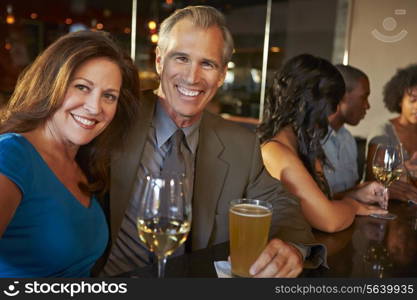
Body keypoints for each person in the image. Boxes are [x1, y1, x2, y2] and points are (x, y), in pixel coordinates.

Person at [102, 6, 324, 278]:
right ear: (160, 61)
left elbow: (282, 206)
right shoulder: (111, 118)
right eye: (181, 58)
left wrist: (292, 247)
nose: (192, 77)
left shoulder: (241, 144)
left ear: (221, 75)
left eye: (207, 64)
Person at [0, 30, 140, 277]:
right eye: (82, 87)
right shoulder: (11, 155)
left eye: (109, 96)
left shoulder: (86, 164)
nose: (95, 107)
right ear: (51, 83)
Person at [258, 54, 387, 234]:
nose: (332, 113)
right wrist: (353, 205)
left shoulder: (304, 147)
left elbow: (320, 201)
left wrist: (353, 195)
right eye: (331, 105)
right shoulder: (274, 151)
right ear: (310, 106)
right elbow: (329, 220)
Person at [366, 64, 417, 201]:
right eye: (413, 100)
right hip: (386, 206)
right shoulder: (383, 133)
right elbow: (372, 182)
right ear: (400, 100)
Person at [322, 64, 370, 195]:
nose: (367, 105)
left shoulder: (348, 139)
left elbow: (351, 190)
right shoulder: (311, 139)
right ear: (341, 94)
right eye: (364, 97)